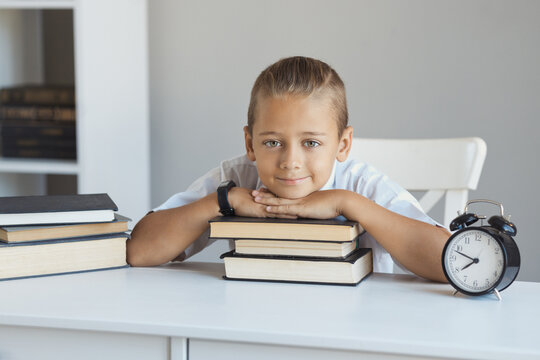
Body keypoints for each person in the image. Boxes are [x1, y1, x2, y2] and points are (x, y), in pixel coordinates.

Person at [127, 56, 450, 282]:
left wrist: (348, 203)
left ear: (343, 145)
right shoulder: (237, 178)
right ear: (250, 143)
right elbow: (140, 252)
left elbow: (446, 263)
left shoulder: (361, 185)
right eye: (272, 142)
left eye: (311, 143)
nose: (290, 161)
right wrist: (222, 201)